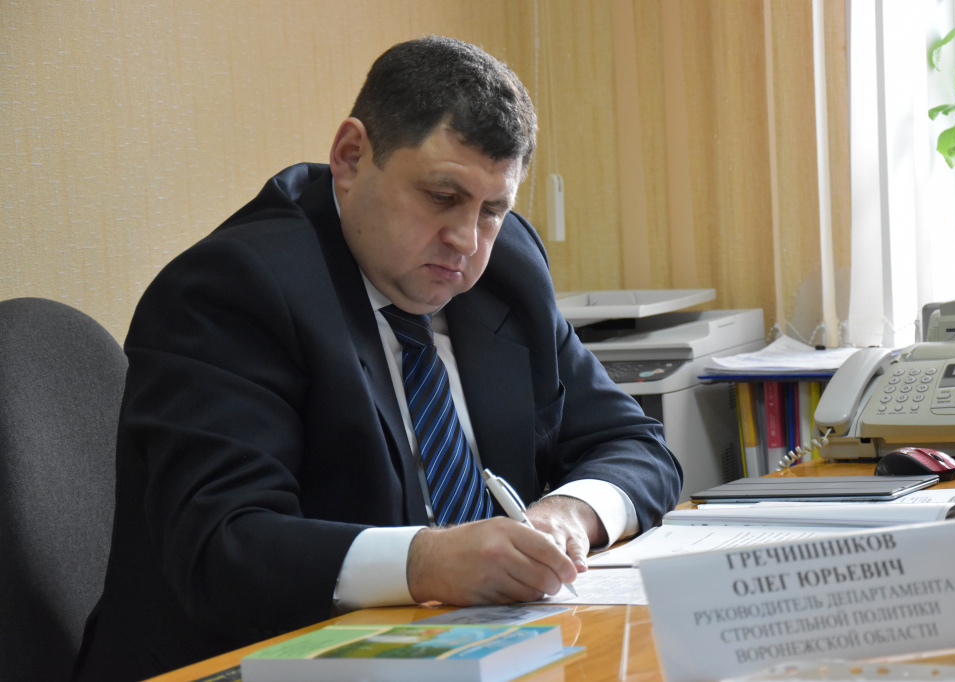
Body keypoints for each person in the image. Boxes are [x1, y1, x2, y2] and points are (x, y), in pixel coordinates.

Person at [73, 36, 682, 682]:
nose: (465, 240)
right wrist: (428, 562)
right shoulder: (233, 290)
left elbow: (636, 443)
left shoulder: (506, 273)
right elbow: (224, 547)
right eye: (442, 196)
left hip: (476, 657)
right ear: (350, 157)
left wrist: (570, 514)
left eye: (492, 210)